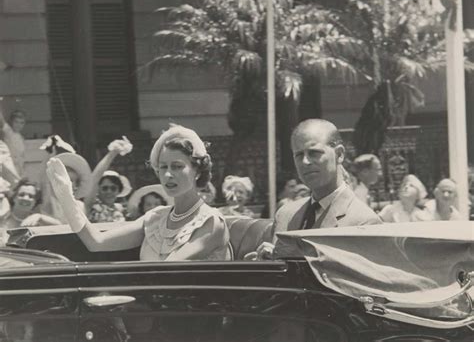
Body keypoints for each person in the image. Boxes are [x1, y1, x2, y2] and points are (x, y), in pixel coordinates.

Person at [46, 124, 230, 261]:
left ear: (197, 171)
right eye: (163, 167)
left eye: (177, 166)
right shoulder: (156, 218)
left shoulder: (211, 222)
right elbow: (96, 242)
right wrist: (66, 198)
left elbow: (169, 268)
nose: (167, 174)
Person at [249, 119, 382, 260]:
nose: (305, 162)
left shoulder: (364, 222)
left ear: (339, 154)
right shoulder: (285, 215)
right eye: (299, 155)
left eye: (314, 153)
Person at [84, 137, 133, 223]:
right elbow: (94, 179)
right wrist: (113, 153)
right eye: (105, 188)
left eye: (113, 188)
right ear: (98, 189)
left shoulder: (122, 210)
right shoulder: (91, 206)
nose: (109, 192)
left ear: (119, 191)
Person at [0, 180, 61, 245]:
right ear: (14, 197)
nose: (25, 198)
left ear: (35, 202)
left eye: (31, 196)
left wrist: (40, 216)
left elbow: (61, 229)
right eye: (21, 195)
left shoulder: (37, 222)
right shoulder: (3, 216)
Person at [0, 106, 26, 176]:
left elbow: (22, 159)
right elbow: (1, 120)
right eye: (16, 122)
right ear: (11, 122)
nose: (19, 125)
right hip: (9, 170)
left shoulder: (21, 138)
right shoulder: (8, 132)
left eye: (21, 123)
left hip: (19, 171)